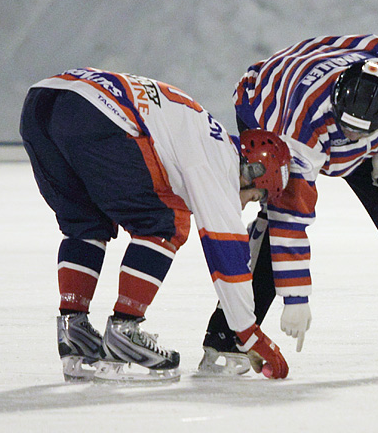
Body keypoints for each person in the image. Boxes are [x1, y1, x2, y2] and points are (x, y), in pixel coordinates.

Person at [198, 35, 378, 374]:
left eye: (361, 134)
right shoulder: (300, 130)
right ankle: (229, 334)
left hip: (339, 94)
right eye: (347, 130)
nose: (352, 139)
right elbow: (290, 220)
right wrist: (296, 300)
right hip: (268, 105)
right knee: (273, 216)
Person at [19, 67, 291, 382]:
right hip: (96, 111)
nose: (245, 204)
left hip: (41, 102)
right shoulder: (222, 161)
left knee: (84, 223)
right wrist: (249, 333)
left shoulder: (203, 135)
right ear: (254, 172)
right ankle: (125, 329)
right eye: (257, 195)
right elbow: (227, 252)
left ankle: (74, 327)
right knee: (165, 222)